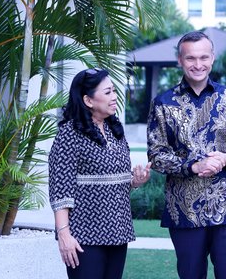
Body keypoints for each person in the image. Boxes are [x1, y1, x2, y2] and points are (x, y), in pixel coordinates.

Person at [147, 30, 226, 279]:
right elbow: (156, 155)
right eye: (190, 58)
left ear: (213, 58)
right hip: (184, 209)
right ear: (180, 60)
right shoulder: (163, 103)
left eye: (203, 57)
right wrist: (192, 166)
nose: (198, 65)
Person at [48, 68, 151, 279]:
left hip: (118, 231)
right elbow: (60, 189)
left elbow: (113, 180)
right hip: (84, 236)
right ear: (88, 100)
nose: (114, 97)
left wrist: (135, 181)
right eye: (107, 92)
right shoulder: (69, 134)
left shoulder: (116, 131)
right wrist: (64, 234)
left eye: (114, 91)